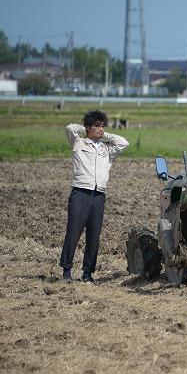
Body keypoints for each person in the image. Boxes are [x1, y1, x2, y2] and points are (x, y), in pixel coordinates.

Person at [60, 110, 129, 283]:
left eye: (103, 125)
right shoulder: (79, 143)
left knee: (94, 236)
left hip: (99, 195)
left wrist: (105, 135)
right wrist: (86, 130)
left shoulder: (107, 149)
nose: (101, 129)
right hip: (80, 193)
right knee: (73, 233)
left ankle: (87, 273)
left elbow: (123, 143)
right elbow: (69, 128)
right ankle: (66, 271)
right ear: (88, 127)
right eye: (97, 126)